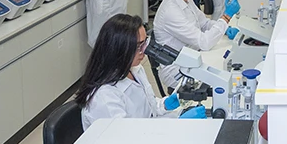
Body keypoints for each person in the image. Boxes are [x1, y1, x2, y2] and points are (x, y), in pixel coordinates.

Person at [75, 14, 204, 130]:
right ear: (120, 49)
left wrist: (164, 105)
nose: (144, 51)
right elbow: (128, 140)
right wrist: (179, 124)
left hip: (149, 135)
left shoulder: (135, 70)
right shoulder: (104, 97)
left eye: (145, 43)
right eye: (139, 46)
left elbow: (148, 109)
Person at [153, 0, 240, 89]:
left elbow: (204, 24)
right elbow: (204, 43)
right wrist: (226, 17)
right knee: (224, 81)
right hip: (178, 70)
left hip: (193, 57)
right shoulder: (171, 11)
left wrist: (226, 29)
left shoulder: (185, 0)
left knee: (227, 67)